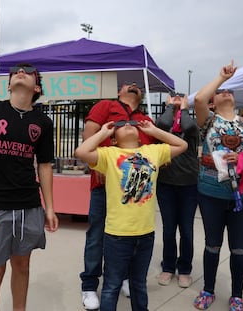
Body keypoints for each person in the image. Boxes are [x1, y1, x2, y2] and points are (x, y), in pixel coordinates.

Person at [0, 63, 59, 311]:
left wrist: (49, 208)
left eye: (28, 71)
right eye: (15, 71)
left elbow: (45, 165)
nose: (20, 71)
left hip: (29, 206)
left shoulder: (43, 122)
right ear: (8, 85)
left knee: (22, 266)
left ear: (36, 86)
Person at [75, 119, 187, 311]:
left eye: (132, 123)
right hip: (117, 235)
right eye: (121, 125)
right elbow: (81, 152)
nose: (127, 124)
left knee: (139, 284)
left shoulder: (153, 151)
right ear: (114, 139)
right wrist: (103, 132)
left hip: (145, 233)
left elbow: (182, 145)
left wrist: (154, 130)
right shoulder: (109, 154)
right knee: (111, 286)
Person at [80, 82, 155, 310]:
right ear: (119, 91)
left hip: (132, 190)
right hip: (104, 184)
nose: (134, 86)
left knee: (128, 237)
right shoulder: (106, 105)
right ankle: (90, 285)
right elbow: (89, 136)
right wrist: (96, 168)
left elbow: (150, 152)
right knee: (97, 234)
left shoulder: (145, 119)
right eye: (129, 84)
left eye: (138, 86)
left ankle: (124, 277)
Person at [193, 61, 243, 311]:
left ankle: (237, 295)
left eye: (230, 90)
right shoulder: (208, 121)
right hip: (211, 193)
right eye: (220, 92)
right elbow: (199, 99)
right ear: (213, 102)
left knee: (239, 248)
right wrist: (221, 77)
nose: (226, 92)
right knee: (212, 244)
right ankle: (208, 289)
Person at [155, 92, 199, 288]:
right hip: (166, 184)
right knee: (168, 228)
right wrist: (168, 107)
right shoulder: (164, 125)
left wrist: (184, 109)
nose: (176, 99)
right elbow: (161, 125)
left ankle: (185, 268)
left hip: (189, 184)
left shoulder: (191, 124)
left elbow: (189, 126)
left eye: (180, 97)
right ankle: (168, 266)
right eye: (174, 97)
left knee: (186, 229)